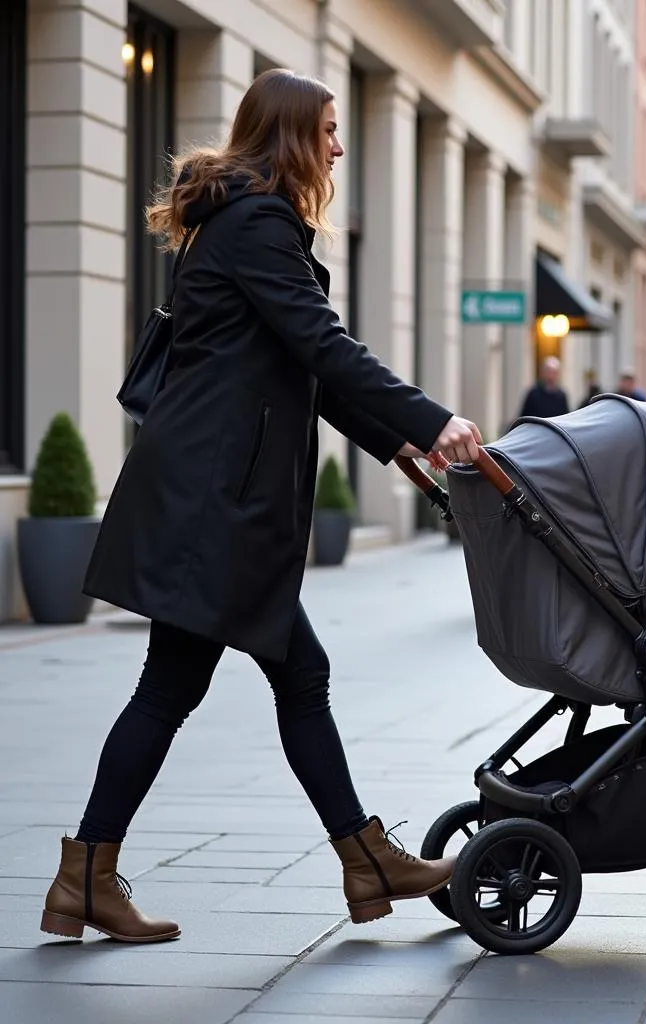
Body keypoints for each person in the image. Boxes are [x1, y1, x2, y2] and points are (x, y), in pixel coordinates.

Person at [39, 69, 483, 946]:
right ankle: (361, 859)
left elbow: (300, 367)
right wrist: (436, 420)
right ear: (287, 136)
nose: (338, 146)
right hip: (219, 504)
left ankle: (90, 876)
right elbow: (323, 344)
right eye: (325, 129)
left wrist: (397, 442)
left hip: (213, 496)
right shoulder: (258, 223)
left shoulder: (237, 225)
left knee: (198, 683)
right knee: (217, 683)